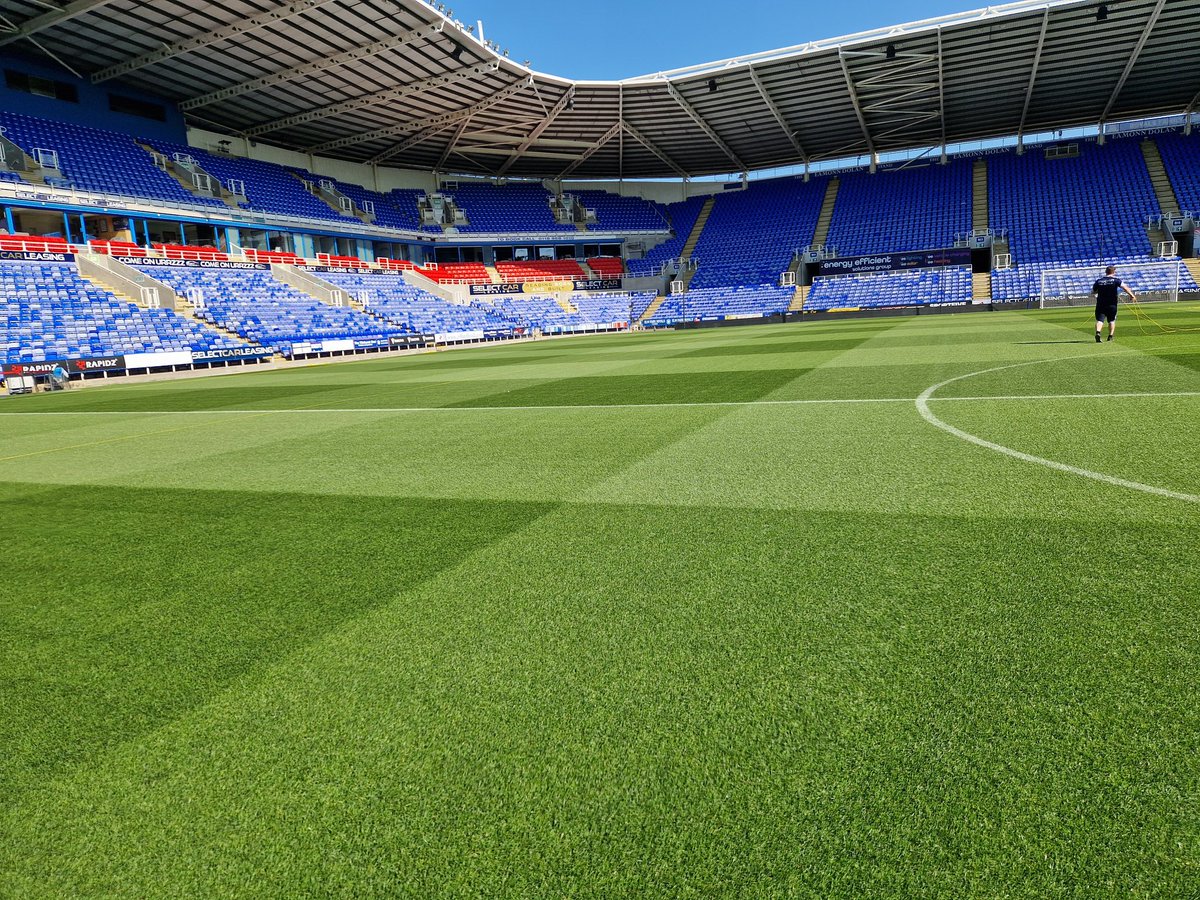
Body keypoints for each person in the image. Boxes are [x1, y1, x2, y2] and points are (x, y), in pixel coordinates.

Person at [1092, 265, 1136, 342]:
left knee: (1100, 320)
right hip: (1112, 304)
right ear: (1114, 272)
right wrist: (1132, 296)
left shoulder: (1099, 281)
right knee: (1111, 320)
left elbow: (1093, 291)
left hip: (1101, 304)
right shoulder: (1116, 280)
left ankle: (1098, 333)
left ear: (1106, 272)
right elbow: (1125, 288)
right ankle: (1110, 336)